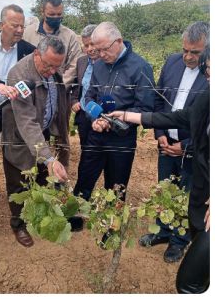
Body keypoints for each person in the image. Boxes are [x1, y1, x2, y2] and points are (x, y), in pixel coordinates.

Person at [105, 44, 209, 294]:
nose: (209, 78)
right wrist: (129, 116)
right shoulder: (208, 98)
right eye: (208, 73)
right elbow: (176, 117)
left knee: (188, 282)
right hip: (202, 195)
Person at [135, 21, 209, 263]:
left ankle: (179, 241)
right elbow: (159, 101)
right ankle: (163, 231)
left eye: (195, 52)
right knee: (164, 189)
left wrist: (185, 146)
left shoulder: (210, 75)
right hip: (166, 143)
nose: (188, 56)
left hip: (193, 149)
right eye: (185, 50)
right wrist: (160, 134)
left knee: (186, 195)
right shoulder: (172, 62)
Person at [72, 22, 155, 221]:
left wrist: (113, 122)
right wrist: (97, 119)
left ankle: (111, 224)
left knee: (116, 183)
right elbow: (89, 96)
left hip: (122, 138)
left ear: (118, 41)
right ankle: (75, 214)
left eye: (103, 49)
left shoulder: (141, 67)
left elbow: (144, 108)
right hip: (96, 133)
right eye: (96, 49)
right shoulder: (99, 65)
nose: (99, 55)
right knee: (85, 173)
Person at [0, 36, 70, 247]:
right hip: (20, 139)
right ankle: (18, 224)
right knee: (18, 184)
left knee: (41, 179)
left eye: (57, 66)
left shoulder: (53, 67)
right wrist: (49, 159)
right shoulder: (19, 74)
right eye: (48, 65)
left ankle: (37, 216)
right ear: (37, 54)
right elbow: (27, 121)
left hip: (43, 134)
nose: (52, 71)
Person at [0, 4, 36, 213]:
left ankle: (18, 193)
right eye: (15, 26)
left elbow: (32, 80)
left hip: (13, 112)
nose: (20, 30)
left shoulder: (28, 51)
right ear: (1, 25)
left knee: (14, 152)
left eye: (22, 26)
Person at [22, 0, 82, 86]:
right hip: (31, 88)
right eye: (51, 14)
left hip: (58, 88)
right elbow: (21, 61)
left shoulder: (70, 36)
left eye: (59, 14)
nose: (55, 17)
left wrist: (59, 85)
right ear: (42, 11)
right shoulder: (27, 33)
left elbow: (74, 65)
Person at [69, 24, 99, 146]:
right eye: (86, 45)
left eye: (92, 44)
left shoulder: (108, 62)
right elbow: (76, 85)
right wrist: (74, 100)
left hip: (100, 114)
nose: (90, 49)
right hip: (83, 113)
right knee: (85, 148)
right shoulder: (81, 62)